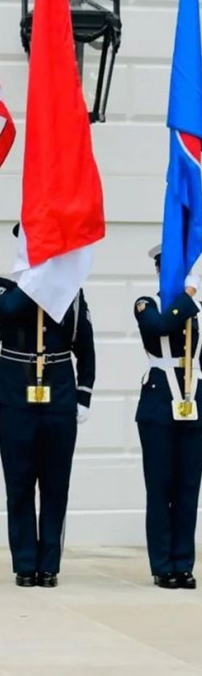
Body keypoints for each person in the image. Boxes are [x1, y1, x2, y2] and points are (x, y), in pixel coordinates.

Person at [0, 224, 95, 588]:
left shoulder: (71, 294)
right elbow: (9, 310)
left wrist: (84, 394)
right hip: (16, 396)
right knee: (18, 485)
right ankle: (25, 563)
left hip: (59, 396)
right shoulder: (6, 285)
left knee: (55, 485)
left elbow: (86, 348)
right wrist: (40, 277)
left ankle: (49, 565)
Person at [134, 245, 202, 590]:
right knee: (161, 487)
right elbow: (160, 326)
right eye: (168, 269)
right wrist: (188, 293)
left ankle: (183, 563)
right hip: (159, 402)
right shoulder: (147, 304)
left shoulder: (199, 311)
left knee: (188, 487)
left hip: (193, 400)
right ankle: (162, 565)